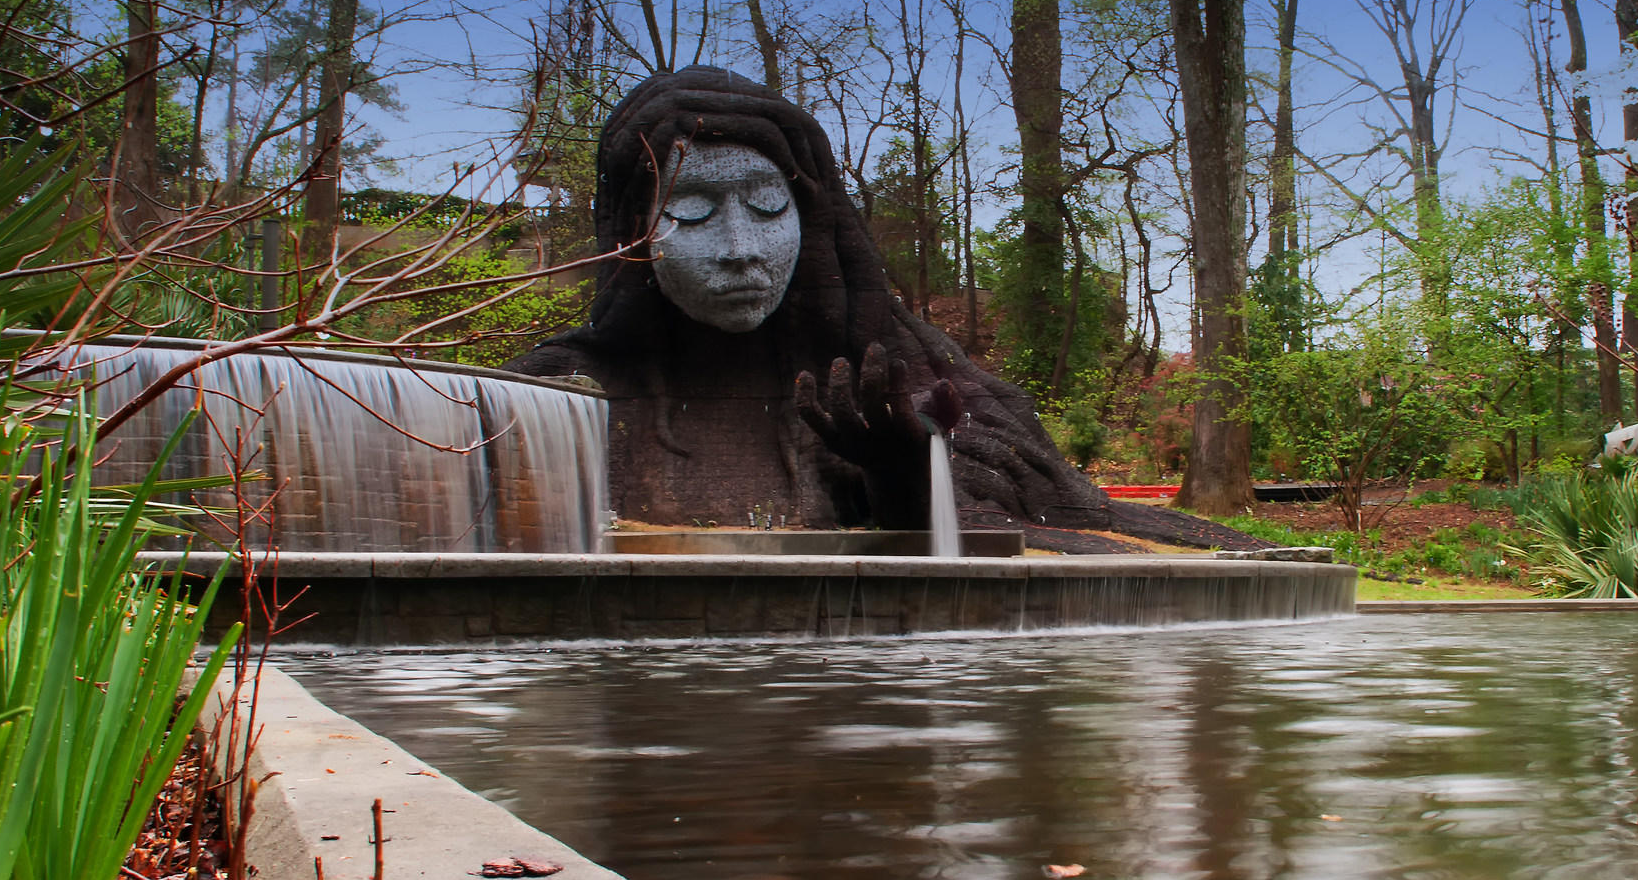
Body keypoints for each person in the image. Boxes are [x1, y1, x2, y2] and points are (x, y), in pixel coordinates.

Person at [507, 66, 1241, 548]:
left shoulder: (900, 370)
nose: (740, 248)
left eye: (767, 207)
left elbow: (981, 537)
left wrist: (903, 473)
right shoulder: (553, 398)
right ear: (634, 231)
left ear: (813, 220)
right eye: (693, 212)